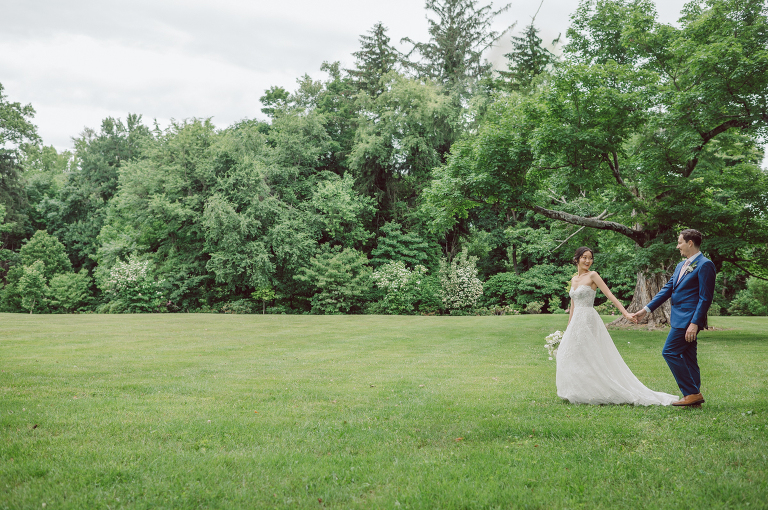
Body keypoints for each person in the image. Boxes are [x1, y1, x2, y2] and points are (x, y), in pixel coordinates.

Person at [556, 247, 678, 405]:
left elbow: (610, 296)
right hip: (576, 322)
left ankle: (602, 389)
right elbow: (573, 306)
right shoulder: (574, 280)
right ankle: (579, 390)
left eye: (590, 258)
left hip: (588, 319)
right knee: (571, 354)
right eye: (584, 258)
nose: (588, 261)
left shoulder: (593, 275)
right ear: (577, 259)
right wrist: (568, 328)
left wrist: (626, 314)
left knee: (591, 354)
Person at [631, 229, 716, 407]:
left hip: (689, 320)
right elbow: (667, 290)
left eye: (680, 242)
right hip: (679, 318)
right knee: (689, 357)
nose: (678, 246)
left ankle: (692, 393)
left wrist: (694, 323)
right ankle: (695, 399)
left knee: (669, 352)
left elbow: (705, 297)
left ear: (690, 243)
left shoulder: (705, 265)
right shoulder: (680, 266)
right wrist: (646, 310)